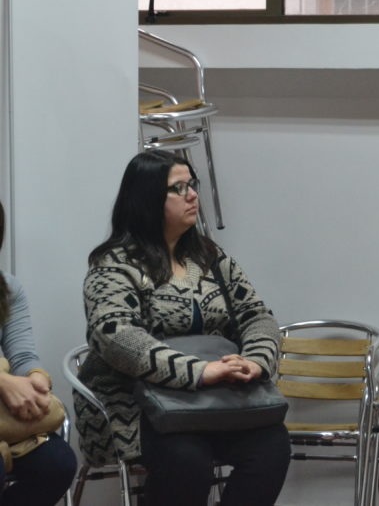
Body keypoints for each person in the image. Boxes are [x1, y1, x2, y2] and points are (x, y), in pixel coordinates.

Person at [74, 151, 290, 506]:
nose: (192, 195)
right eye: (178, 188)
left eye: (193, 184)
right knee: (187, 460)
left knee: (273, 447)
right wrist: (199, 371)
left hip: (217, 399)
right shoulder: (113, 265)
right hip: (136, 405)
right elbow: (116, 336)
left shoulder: (211, 258)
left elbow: (256, 316)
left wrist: (255, 361)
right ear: (147, 199)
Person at [0, 202, 77, 506]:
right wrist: (5, 382)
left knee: (58, 464)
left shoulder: (7, 287)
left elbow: (22, 355)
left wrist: (36, 380)